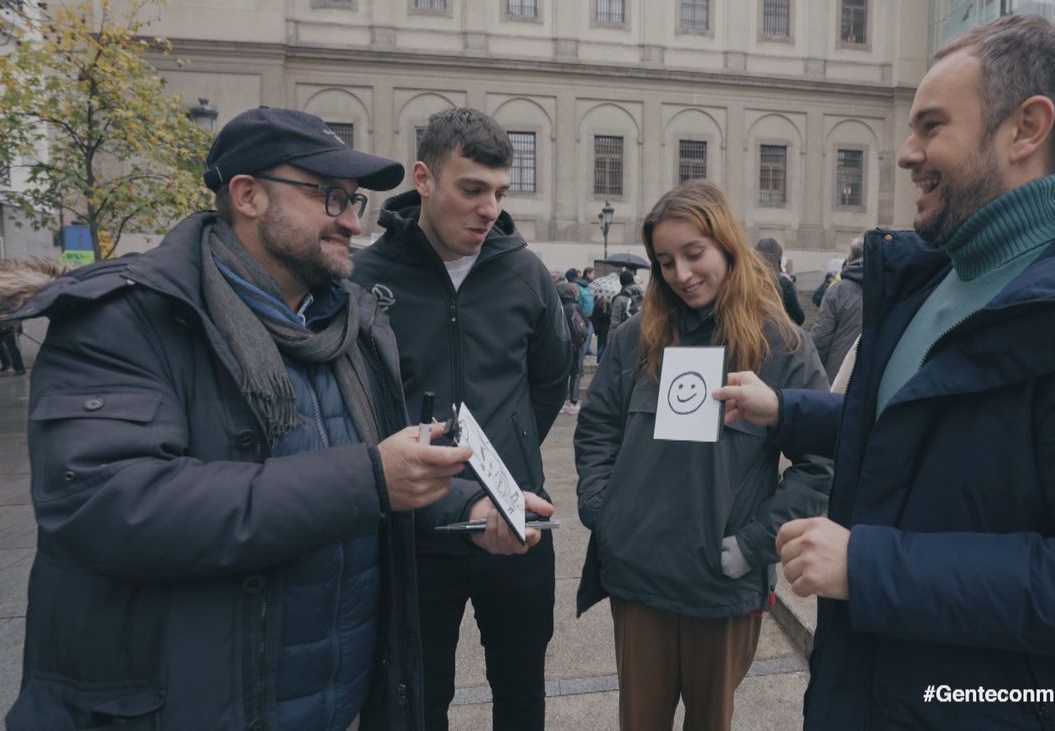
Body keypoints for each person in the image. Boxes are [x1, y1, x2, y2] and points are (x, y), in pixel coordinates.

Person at [716, 16, 1055, 730]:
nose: (906, 153)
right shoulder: (931, 283)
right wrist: (788, 408)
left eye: (931, 127)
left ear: (1026, 128)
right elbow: (922, 428)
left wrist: (873, 568)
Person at [0, 106, 541, 730]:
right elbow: (107, 506)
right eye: (329, 196)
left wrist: (465, 508)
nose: (351, 220)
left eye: (356, 200)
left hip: (330, 701)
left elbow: (374, 472)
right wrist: (370, 479)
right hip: (187, 702)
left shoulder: (352, 325)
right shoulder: (126, 318)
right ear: (248, 195)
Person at [575, 179, 833, 731]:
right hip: (639, 577)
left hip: (720, 587)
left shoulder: (782, 346)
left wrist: (755, 543)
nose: (681, 274)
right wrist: (605, 508)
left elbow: (818, 463)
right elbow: (596, 427)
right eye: (666, 261)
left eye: (694, 254)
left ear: (726, 246)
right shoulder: (634, 339)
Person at [350, 107, 569, 731]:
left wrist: (513, 446)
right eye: (472, 189)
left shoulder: (525, 273)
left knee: (522, 691)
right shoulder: (366, 279)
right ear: (423, 178)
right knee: (417, 697)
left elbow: (551, 376)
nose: (489, 208)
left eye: (500, 192)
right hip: (415, 528)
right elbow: (358, 397)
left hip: (516, 515)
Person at [810, 237, 865, 378]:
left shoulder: (837, 289)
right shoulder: (890, 289)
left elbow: (820, 338)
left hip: (839, 375)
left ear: (850, 259)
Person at [755, 237, 805, 325]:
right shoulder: (784, 283)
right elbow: (798, 317)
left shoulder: (744, 281)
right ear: (779, 259)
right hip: (778, 333)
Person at [557, 280, 588, 414]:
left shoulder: (558, 308)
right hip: (576, 344)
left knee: (562, 374)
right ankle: (573, 403)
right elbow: (585, 322)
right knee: (575, 373)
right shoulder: (576, 307)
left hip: (561, 345)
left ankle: (560, 402)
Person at [608, 269, 642, 334]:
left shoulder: (619, 299)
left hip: (625, 335)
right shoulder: (641, 294)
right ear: (633, 280)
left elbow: (615, 323)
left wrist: (610, 340)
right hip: (640, 333)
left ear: (621, 282)